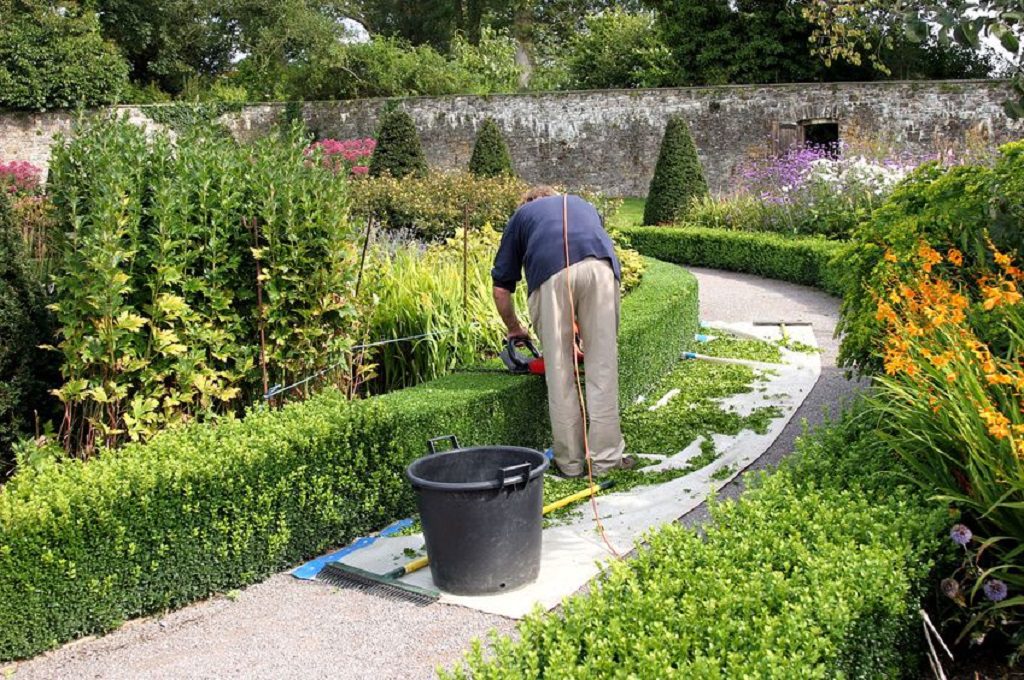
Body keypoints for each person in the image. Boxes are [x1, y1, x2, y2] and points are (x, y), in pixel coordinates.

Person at [491, 186, 633, 478]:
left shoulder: (521, 215)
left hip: (550, 277)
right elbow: (582, 265)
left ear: (528, 201)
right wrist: (579, 327)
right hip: (602, 270)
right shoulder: (582, 204)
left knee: (560, 374)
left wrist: (515, 328)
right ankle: (606, 461)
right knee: (603, 367)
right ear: (554, 195)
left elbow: (500, 288)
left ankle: (570, 463)